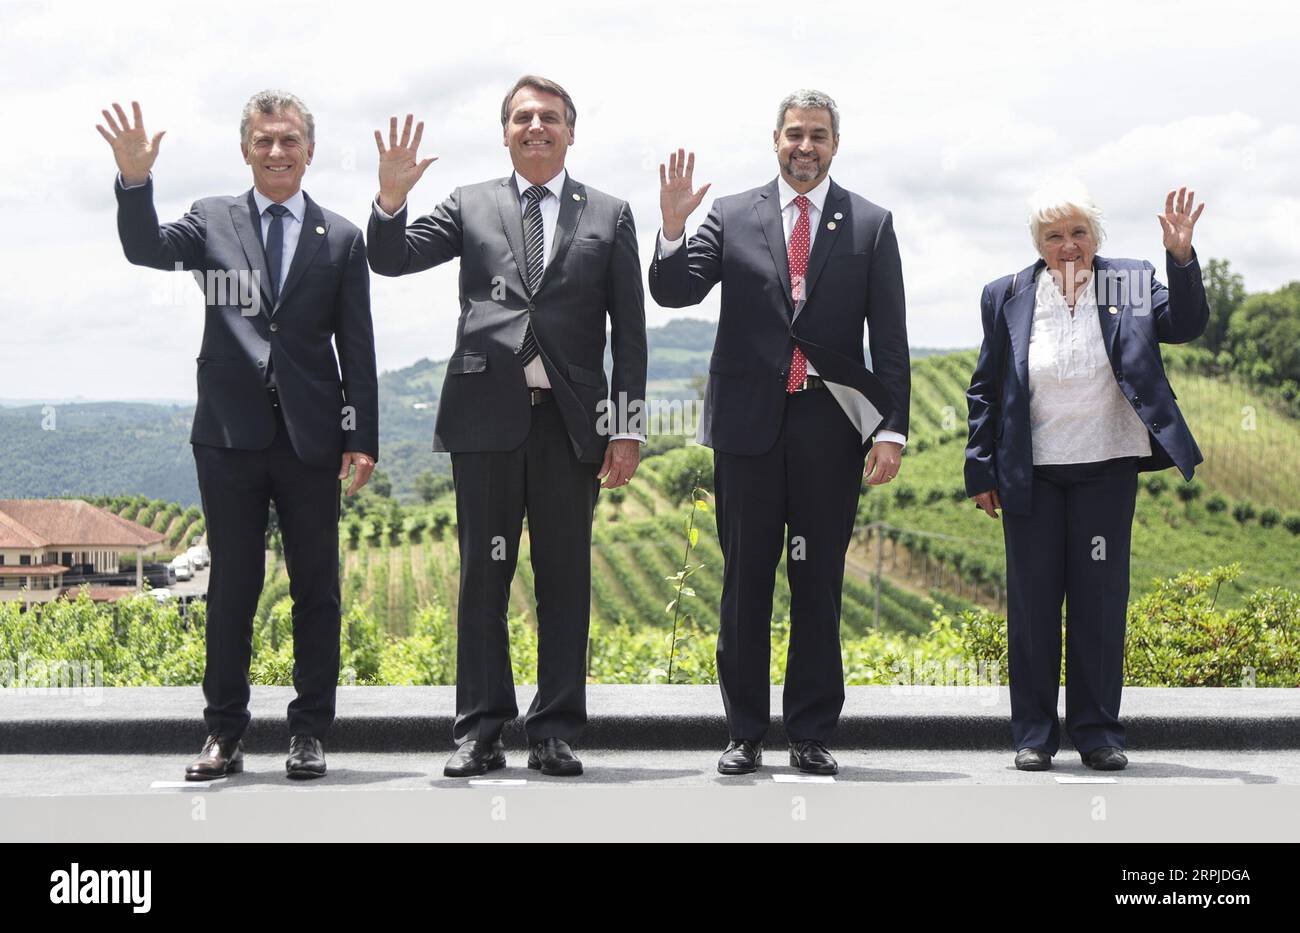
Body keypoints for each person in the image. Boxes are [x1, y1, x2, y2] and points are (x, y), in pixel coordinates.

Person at [366, 75, 647, 778]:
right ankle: (481, 730)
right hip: (484, 422)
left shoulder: (610, 215)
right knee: (482, 580)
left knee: (564, 581)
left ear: (570, 131)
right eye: (522, 117)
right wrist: (391, 200)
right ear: (505, 131)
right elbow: (390, 257)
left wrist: (628, 427)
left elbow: (631, 335)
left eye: (549, 117)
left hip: (570, 426)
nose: (536, 126)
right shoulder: (470, 203)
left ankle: (552, 729)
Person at [99, 92, 379, 781]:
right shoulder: (211, 219)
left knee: (318, 587)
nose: (277, 151)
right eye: (264, 141)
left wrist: (361, 435)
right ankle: (223, 734)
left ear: (309, 149)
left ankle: (310, 732)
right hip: (228, 435)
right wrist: (136, 183)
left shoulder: (341, 238)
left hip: (313, 436)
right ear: (246, 149)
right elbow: (146, 249)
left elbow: (358, 348)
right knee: (233, 587)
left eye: (289, 140)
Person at [649, 90, 910, 776]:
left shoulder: (871, 225)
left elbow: (890, 340)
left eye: (818, 135)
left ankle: (811, 732)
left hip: (831, 428)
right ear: (775, 139)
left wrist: (892, 430)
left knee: (816, 582)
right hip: (747, 430)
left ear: (835, 143)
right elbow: (675, 292)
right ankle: (743, 732)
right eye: (795, 133)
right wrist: (673, 231)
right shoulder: (733, 215)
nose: (806, 145)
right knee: (745, 586)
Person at [964, 182, 1208, 772]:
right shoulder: (1007, 293)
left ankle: (1098, 733)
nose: (1068, 245)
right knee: (1032, 606)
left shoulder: (1129, 278)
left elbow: (1185, 323)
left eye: (1078, 233)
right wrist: (981, 470)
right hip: (1032, 473)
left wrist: (1181, 260)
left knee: (1099, 602)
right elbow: (986, 388)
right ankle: (1034, 735)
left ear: (1096, 236)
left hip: (1106, 467)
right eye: (1054, 236)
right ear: (1038, 244)